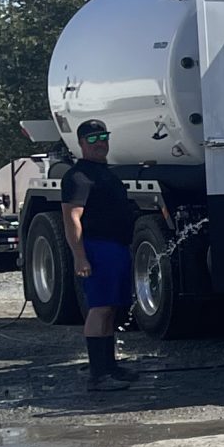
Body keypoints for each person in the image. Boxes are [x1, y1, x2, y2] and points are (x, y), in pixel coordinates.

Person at [61, 119, 137, 391]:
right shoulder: (78, 177)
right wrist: (80, 256)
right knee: (100, 308)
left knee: (112, 307)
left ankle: (110, 366)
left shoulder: (105, 173)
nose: (99, 143)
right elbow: (71, 218)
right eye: (92, 139)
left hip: (116, 247)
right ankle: (97, 375)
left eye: (103, 137)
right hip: (97, 247)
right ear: (81, 143)